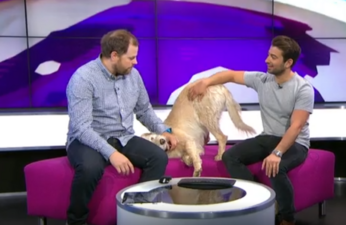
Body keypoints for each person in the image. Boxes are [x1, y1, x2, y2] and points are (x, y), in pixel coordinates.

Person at [187, 35, 314, 225]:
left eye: (273, 57)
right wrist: (206, 82)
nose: (267, 60)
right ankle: (260, 202)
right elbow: (229, 74)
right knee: (230, 157)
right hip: (268, 137)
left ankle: (287, 218)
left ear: (288, 62)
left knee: (276, 168)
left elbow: (296, 127)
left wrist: (277, 153)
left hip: (295, 143)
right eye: (268, 55)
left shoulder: (303, 89)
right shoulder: (262, 80)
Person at [65, 29, 178, 225]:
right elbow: (81, 127)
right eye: (131, 58)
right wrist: (111, 153)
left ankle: (137, 214)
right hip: (88, 139)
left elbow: (144, 110)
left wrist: (164, 130)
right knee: (90, 169)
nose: (136, 62)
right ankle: (76, 221)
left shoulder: (133, 76)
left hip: (124, 136)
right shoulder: (83, 79)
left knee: (158, 157)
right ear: (114, 56)